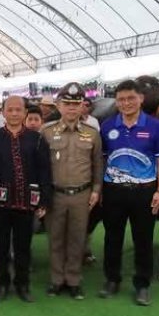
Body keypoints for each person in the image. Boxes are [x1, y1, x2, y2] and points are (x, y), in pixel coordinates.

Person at [99, 79, 159, 306]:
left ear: (141, 99)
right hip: (113, 191)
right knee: (112, 238)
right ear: (116, 102)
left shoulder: (155, 126)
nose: (126, 103)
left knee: (143, 239)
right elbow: (101, 159)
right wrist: (100, 188)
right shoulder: (107, 126)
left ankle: (142, 285)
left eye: (131, 98)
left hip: (145, 192)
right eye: (121, 99)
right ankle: (112, 279)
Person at [0, 96, 51, 302]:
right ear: (3, 112)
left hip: (26, 202)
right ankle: (1, 283)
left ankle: (22, 285)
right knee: (0, 246)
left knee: (23, 246)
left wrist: (44, 201)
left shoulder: (36, 138)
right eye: (10, 110)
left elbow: (44, 171)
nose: (14, 113)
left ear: (24, 113)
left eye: (18, 110)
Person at [41, 83, 103, 300]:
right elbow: (41, 167)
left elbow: (97, 165)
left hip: (82, 195)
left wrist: (96, 189)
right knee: (56, 238)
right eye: (67, 104)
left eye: (76, 104)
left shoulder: (92, 134)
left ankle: (74, 280)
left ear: (82, 107)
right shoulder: (46, 132)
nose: (71, 108)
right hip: (55, 194)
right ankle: (57, 280)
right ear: (58, 105)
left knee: (77, 238)